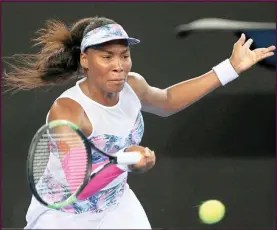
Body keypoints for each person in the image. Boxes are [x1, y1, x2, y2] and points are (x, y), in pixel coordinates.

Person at [3, 16, 275, 229]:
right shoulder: (69, 112)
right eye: (107, 56)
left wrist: (230, 67)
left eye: (124, 55)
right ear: (85, 60)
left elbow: (167, 101)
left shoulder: (133, 85)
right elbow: (78, 187)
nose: (119, 65)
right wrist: (122, 162)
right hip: (64, 218)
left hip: (116, 205)